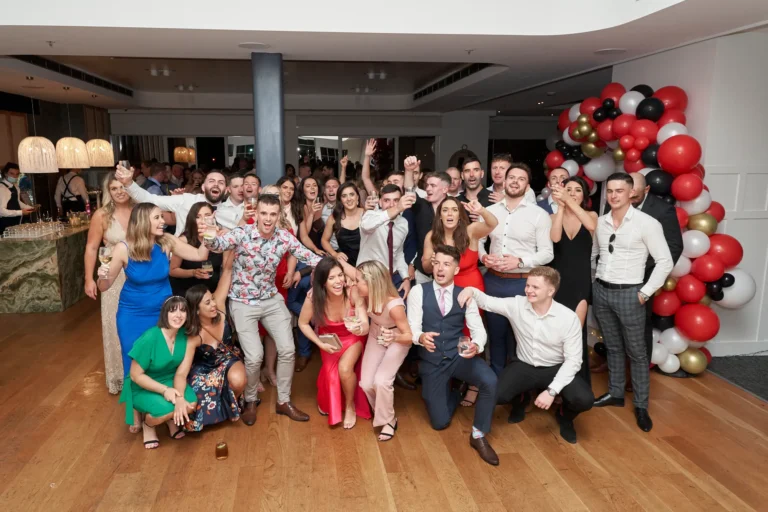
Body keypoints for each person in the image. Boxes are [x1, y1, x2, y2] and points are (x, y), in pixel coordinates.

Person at [204, 193, 321, 425]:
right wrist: (209, 229)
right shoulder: (242, 233)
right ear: (256, 213)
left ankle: (283, 402)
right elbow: (216, 244)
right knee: (255, 356)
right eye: (264, 213)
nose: (268, 219)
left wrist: (338, 268)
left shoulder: (284, 238)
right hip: (242, 301)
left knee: (288, 350)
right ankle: (249, 401)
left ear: (279, 216)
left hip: (270, 299)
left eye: (273, 214)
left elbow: (310, 256)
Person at [97, 203, 210, 432]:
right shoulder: (122, 248)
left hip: (163, 314)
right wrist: (101, 275)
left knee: (161, 359)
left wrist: (206, 236)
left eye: (162, 217)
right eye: (157, 218)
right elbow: (104, 286)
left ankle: (165, 405)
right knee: (134, 362)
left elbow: (199, 255)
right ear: (142, 222)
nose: (163, 221)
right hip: (132, 315)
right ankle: (136, 413)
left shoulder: (166, 241)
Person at [458, 267, 594, 444]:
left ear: (551, 291)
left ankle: (564, 416)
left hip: (555, 368)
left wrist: (552, 391)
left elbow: (574, 361)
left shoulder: (568, 318)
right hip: (524, 365)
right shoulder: (517, 304)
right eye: (528, 285)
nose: (529, 290)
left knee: (584, 399)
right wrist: (470, 290)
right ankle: (521, 400)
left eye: (535, 287)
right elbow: (486, 301)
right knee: (496, 394)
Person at [592, 173, 673, 433]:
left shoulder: (647, 223)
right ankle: (615, 393)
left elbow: (665, 261)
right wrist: (595, 281)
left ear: (631, 194)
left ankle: (640, 405)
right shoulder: (602, 222)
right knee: (613, 347)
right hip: (602, 291)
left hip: (631, 293)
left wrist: (645, 292)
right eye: (610, 191)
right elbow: (596, 254)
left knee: (637, 354)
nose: (614, 195)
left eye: (619, 191)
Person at [407, 245, 499, 466]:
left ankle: (478, 434)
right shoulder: (419, 291)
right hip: (432, 361)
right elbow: (412, 326)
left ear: (456, 270)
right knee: (439, 422)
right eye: (436, 263)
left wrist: (476, 345)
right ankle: (457, 393)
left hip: (458, 357)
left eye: (446, 264)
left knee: (490, 380)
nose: (440, 268)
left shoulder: (464, 295)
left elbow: (478, 330)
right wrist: (420, 337)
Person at [421, 196, 498, 405]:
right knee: (449, 330)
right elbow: (427, 267)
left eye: (454, 210)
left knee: (471, 333)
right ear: (439, 215)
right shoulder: (432, 236)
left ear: (459, 214)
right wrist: (433, 260)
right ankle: (453, 378)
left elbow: (493, 224)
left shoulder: (470, 231)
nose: (449, 214)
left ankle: (474, 384)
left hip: (470, 287)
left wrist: (481, 209)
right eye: (445, 210)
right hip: (445, 288)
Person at [480, 162, 553, 376]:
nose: (515, 182)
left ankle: (518, 391)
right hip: (493, 281)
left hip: (523, 283)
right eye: (511, 177)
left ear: (528, 185)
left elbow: (547, 253)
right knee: (495, 334)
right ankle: (496, 386)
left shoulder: (538, 215)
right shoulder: (490, 212)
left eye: (521, 179)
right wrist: (483, 256)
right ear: (504, 181)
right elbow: (477, 241)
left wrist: (519, 261)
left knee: (520, 337)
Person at [606, 172, 683, 364]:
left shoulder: (663, 210)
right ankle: (614, 365)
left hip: (644, 278)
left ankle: (637, 372)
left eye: (634, 196)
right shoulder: (615, 203)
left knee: (639, 328)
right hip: (614, 276)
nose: (628, 200)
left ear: (646, 189)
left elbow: (674, 246)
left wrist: (650, 277)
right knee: (613, 324)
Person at [337, 259, 412, 441]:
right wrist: (358, 328)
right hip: (375, 334)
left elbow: (409, 336)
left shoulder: (394, 306)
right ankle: (382, 410)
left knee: (381, 381)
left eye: (359, 280)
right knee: (366, 383)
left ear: (371, 282)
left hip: (397, 338)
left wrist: (393, 337)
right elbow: (364, 324)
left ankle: (388, 419)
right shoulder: (363, 294)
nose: (354, 283)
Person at [298, 258, 371, 428]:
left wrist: (361, 328)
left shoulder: (353, 292)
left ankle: (350, 406)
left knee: (344, 369)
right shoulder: (314, 298)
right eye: (331, 278)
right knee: (331, 375)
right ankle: (331, 401)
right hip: (329, 339)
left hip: (353, 336)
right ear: (322, 282)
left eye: (340, 276)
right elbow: (302, 323)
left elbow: (364, 323)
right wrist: (319, 343)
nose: (338, 281)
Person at [119, 296, 197, 449]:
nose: (178, 315)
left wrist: (179, 397)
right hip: (143, 385)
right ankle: (148, 424)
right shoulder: (150, 338)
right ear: (164, 314)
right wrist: (165, 390)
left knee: (190, 404)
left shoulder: (184, 336)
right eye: (173, 311)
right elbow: (135, 375)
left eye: (183, 310)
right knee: (163, 410)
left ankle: (170, 420)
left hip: (170, 380)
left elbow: (181, 374)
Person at [84, 172, 134, 394]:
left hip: (138, 272)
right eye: (114, 188)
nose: (119, 191)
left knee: (138, 324)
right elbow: (92, 248)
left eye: (122, 186)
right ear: (109, 192)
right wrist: (88, 278)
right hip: (112, 275)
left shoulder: (140, 210)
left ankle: (141, 376)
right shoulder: (102, 215)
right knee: (113, 325)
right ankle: (119, 378)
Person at [184, 260, 247, 432]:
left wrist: (231, 246)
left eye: (212, 299)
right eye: (207, 303)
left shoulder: (219, 307)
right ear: (196, 310)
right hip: (204, 366)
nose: (213, 304)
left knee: (238, 381)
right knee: (194, 396)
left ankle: (230, 405)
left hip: (228, 358)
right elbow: (183, 369)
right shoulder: (194, 335)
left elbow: (226, 271)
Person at [550, 176, 598, 385]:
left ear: (584, 196)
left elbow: (592, 226)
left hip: (580, 281)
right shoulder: (553, 217)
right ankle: (554, 383)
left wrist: (568, 202)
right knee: (555, 334)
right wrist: (561, 208)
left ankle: (576, 384)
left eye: (577, 190)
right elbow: (555, 239)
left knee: (575, 334)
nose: (572, 193)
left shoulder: (592, 215)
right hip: (557, 281)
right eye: (567, 189)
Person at [117, 164, 229, 235]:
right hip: (183, 259)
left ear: (226, 189)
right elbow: (150, 199)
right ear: (203, 187)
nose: (216, 185)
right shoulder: (185, 200)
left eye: (221, 183)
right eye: (211, 181)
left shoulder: (231, 211)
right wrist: (128, 183)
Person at [357, 184, 414, 298]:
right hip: (369, 277)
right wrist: (397, 208)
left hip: (393, 277)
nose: (391, 204)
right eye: (387, 200)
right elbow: (367, 226)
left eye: (396, 200)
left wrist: (406, 278)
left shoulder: (403, 223)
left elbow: (398, 253)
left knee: (401, 311)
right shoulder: (370, 215)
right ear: (380, 202)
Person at [404, 157, 450, 284]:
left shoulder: (455, 208)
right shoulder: (421, 205)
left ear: (445, 189)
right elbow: (409, 192)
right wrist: (408, 171)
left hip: (448, 271)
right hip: (423, 272)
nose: (428, 189)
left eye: (433, 185)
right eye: (427, 185)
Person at [169, 202, 225, 296]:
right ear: (192, 219)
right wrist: (193, 272)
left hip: (212, 293)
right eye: (198, 217)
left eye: (207, 216)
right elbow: (173, 270)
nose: (203, 220)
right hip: (187, 293)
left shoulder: (220, 238)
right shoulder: (183, 240)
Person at [322, 182, 363, 265]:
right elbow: (324, 240)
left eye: (352, 194)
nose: (348, 199)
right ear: (340, 200)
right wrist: (334, 254)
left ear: (357, 197)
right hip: (345, 264)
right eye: (344, 196)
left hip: (366, 262)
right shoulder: (334, 217)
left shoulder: (366, 214)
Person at [0, 163, 35, 235]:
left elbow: (17, 202)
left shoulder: (15, 186)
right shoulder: (2, 188)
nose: (15, 176)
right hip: (4, 225)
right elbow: (1, 211)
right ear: (5, 173)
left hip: (15, 223)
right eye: (12, 173)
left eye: (17, 174)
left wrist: (30, 208)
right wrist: (21, 212)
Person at [297, 176, 326, 255]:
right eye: (308, 186)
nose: (312, 188)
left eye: (314, 185)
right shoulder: (301, 207)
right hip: (305, 250)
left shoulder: (323, 204)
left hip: (323, 248)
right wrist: (312, 213)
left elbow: (339, 192)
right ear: (303, 190)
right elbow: (305, 235)